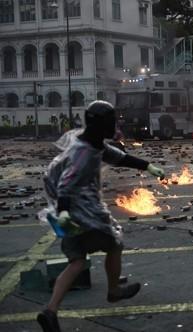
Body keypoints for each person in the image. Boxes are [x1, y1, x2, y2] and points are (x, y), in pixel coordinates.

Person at [37, 100, 165, 332]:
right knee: (114, 242)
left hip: (71, 212)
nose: (113, 126)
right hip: (81, 212)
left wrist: (147, 166)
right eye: (110, 122)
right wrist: (65, 211)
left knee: (76, 262)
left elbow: (118, 157)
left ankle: (50, 311)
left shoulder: (90, 142)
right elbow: (66, 184)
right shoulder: (83, 152)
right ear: (101, 125)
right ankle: (114, 291)